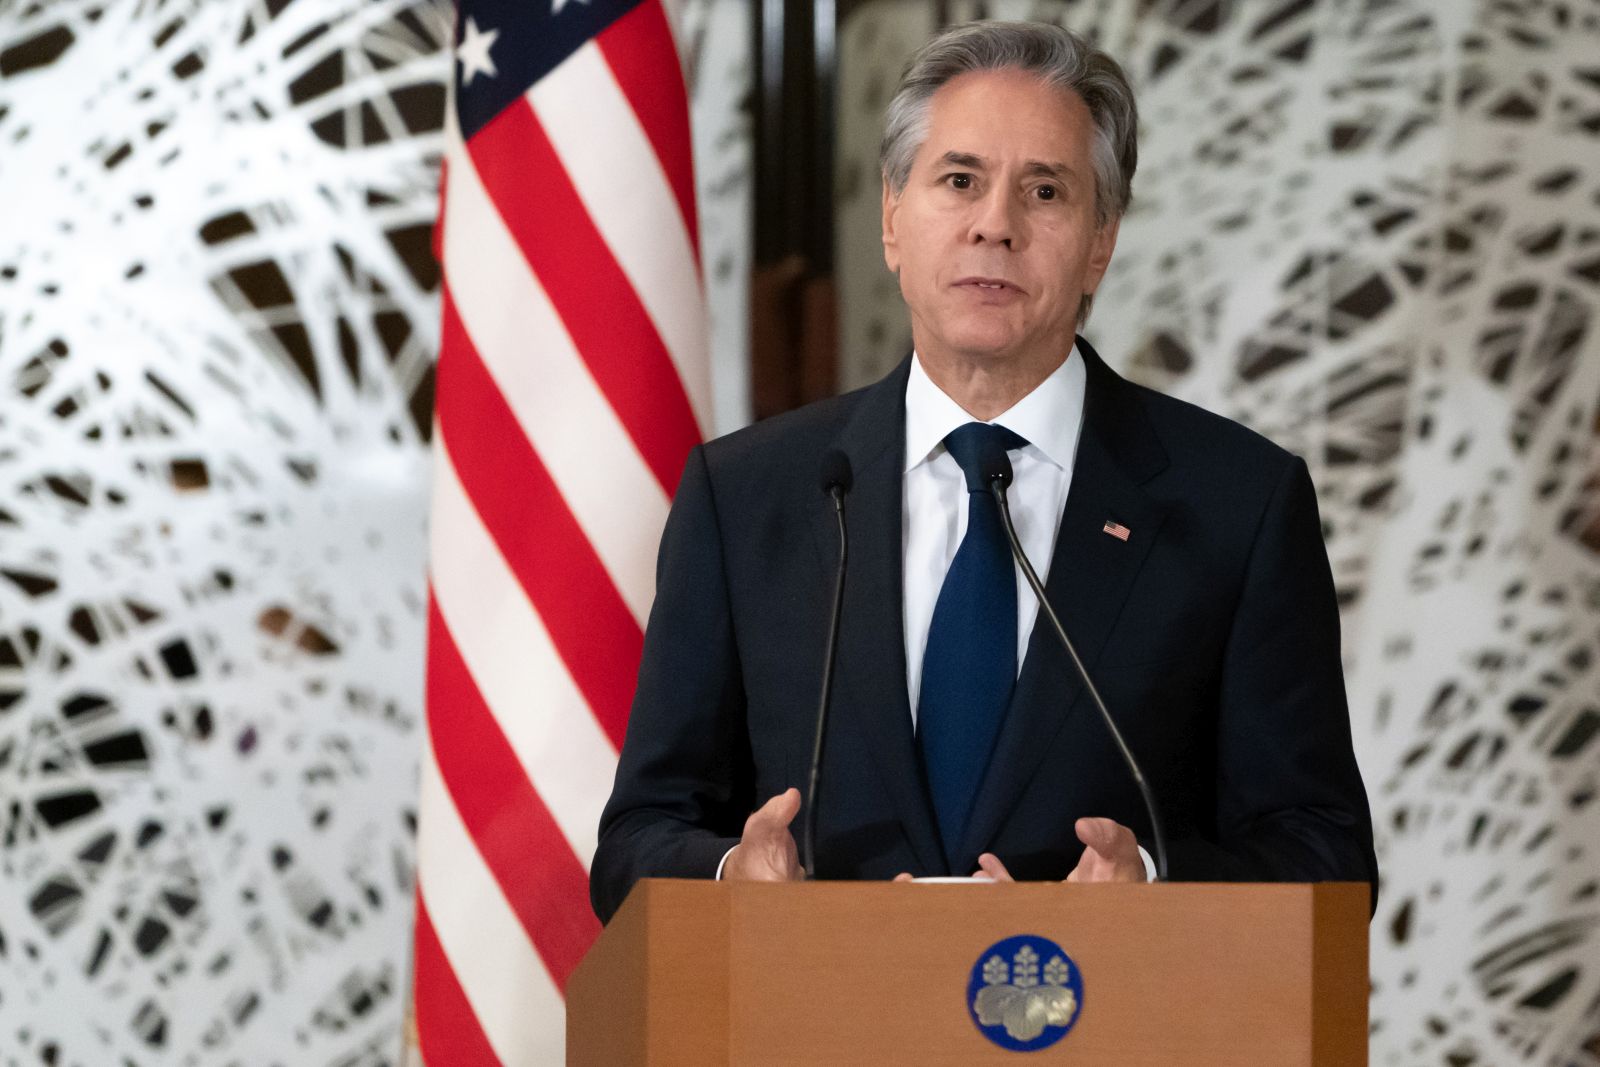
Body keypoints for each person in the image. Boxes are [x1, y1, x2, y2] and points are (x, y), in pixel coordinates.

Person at [589, 19, 1377, 924]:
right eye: (959, 180)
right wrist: (735, 872)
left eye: (1044, 191)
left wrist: (1154, 892)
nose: (994, 225)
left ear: (1099, 242)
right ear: (892, 218)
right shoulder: (749, 496)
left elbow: (1328, 861)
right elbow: (640, 837)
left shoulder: (1237, 504)